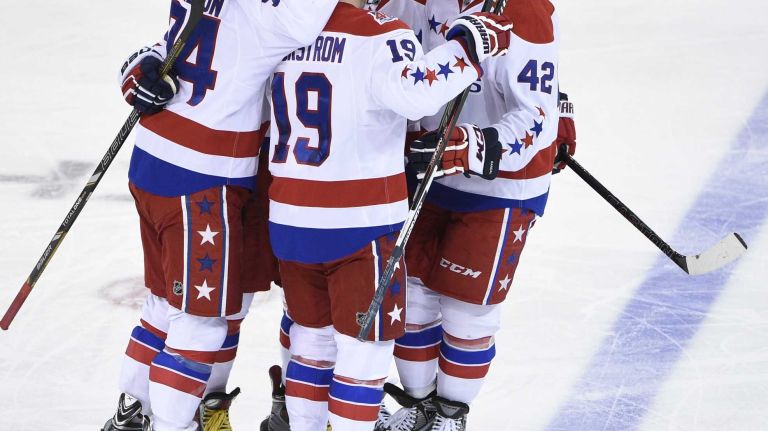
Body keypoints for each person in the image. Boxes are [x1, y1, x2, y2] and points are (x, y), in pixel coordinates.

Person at [261, 1, 512, 431]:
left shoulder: (282, 30)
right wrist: (470, 46)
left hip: (290, 219)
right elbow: (417, 95)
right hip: (357, 226)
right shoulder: (381, 34)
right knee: (364, 355)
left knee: (311, 343)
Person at [101, 0, 339, 430]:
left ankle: (135, 412)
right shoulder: (279, 16)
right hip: (204, 175)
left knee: (170, 304)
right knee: (202, 322)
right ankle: (173, 423)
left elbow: (179, 39)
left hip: (158, 156)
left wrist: (142, 64)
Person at [370, 0, 574, 430]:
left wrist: (479, 146)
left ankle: (450, 416)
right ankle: (419, 405)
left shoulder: (524, 8)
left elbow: (537, 115)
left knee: (468, 308)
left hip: (500, 187)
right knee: (413, 297)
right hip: (431, 168)